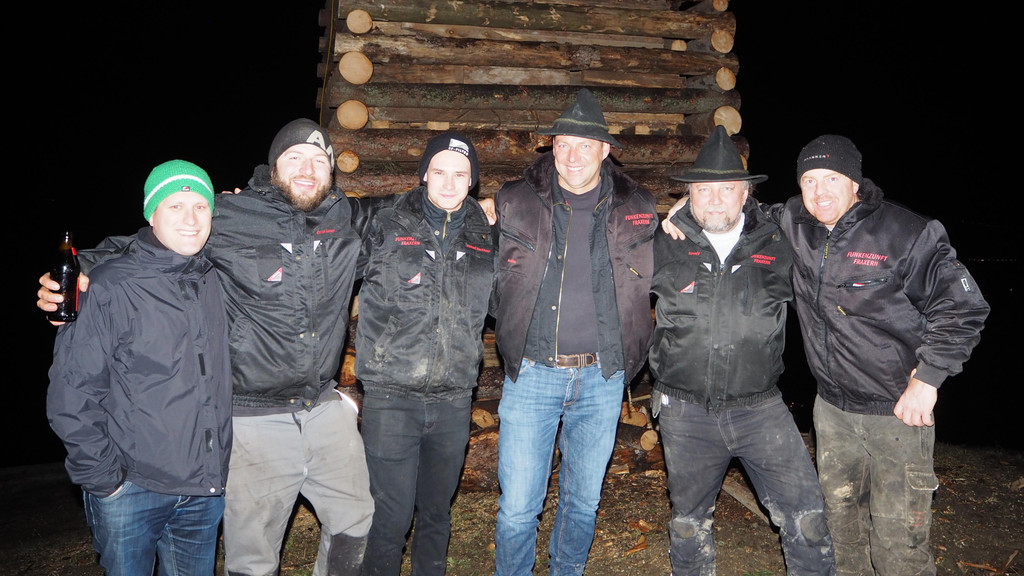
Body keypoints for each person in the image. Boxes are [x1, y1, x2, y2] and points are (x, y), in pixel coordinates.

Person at [39, 119, 377, 575]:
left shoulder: (345, 218)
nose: (307, 168)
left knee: (356, 521)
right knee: (253, 552)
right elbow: (146, 243)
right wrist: (76, 276)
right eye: (294, 157)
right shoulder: (231, 215)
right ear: (273, 166)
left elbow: (404, 216)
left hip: (318, 406)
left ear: (332, 171)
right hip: (253, 415)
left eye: (320, 160)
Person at [662, 134, 990, 575]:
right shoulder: (794, 223)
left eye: (832, 178)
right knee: (840, 535)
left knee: (898, 547)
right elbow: (734, 208)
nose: (820, 192)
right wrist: (684, 209)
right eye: (809, 180)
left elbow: (963, 307)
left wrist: (927, 379)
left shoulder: (907, 232)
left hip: (896, 411)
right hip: (832, 412)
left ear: (855, 181)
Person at [648, 126, 835, 575]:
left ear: (746, 194)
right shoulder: (661, 242)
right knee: (688, 527)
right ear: (688, 194)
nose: (715, 200)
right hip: (685, 413)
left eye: (727, 188)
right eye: (703, 190)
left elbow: (828, 223)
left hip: (761, 410)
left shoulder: (779, 241)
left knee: (808, 522)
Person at [488, 87, 658, 576]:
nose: (573, 155)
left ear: (605, 150)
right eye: (564, 144)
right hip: (533, 373)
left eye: (585, 145)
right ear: (552, 147)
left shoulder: (638, 205)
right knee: (518, 508)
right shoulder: (515, 199)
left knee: (582, 503)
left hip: (602, 378)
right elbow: (487, 271)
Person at [46, 160, 232, 575]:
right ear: (151, 214)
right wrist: (106, 481)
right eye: (175, 206)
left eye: (201, 206)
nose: (190, 219)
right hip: (132, 489)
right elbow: (72, 391)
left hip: (203, 490)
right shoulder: (110, 285)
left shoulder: (218, 280)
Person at [357, 132, 495, 575]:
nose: (449, 183)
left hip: (454, 398)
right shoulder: (385, 223)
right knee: (390, 518)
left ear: (472, 181)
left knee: (436, 513)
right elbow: (323, 256)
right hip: (391, 396)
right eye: (439, 171)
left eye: (460, 174)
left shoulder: (486, 234)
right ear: (424, 175)